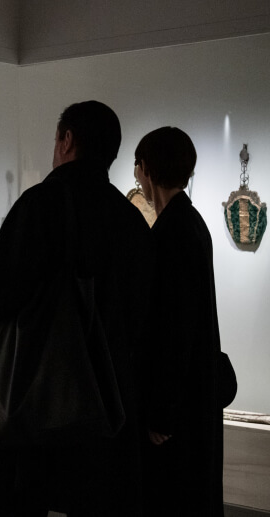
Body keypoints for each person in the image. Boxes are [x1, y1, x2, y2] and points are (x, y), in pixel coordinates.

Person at [0, 100, 154, 516]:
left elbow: (3, 294)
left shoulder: (40, 203)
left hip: (36, 406)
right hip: (105, 407)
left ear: (67, 140)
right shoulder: (130, 219)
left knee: (16, 504)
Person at [135, 127, 225, 516]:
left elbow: (174, 328)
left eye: (137, 165)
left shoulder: (172, 231)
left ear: (146, 168)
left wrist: (162, 412)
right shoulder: (189, 222)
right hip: (191, 398)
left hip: (179, 407)